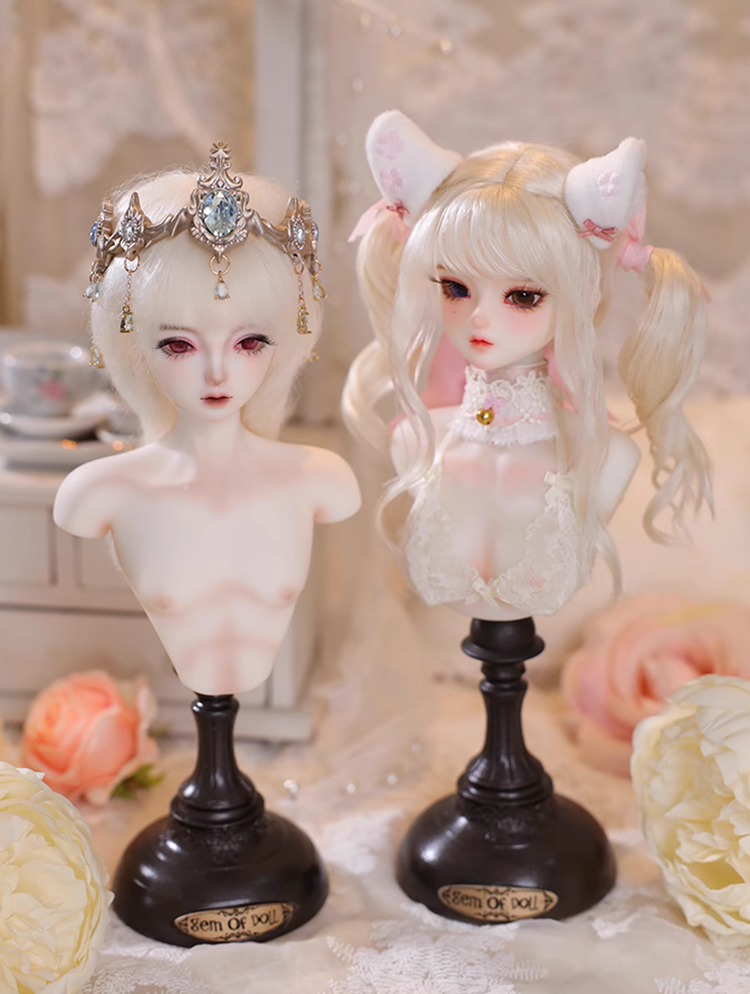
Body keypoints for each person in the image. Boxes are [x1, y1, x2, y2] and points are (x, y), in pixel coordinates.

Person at [344, 111, 711, 621]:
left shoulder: (607, 458)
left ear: (579, 293)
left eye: (522, 296)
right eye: (456, 287)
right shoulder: (415, 440)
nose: (479, 316)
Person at [55, 145, 361, 695]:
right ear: (134, 349)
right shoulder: (98, 492)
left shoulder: (322, 478)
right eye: (179, 345)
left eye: (249, 342)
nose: (217, 373)